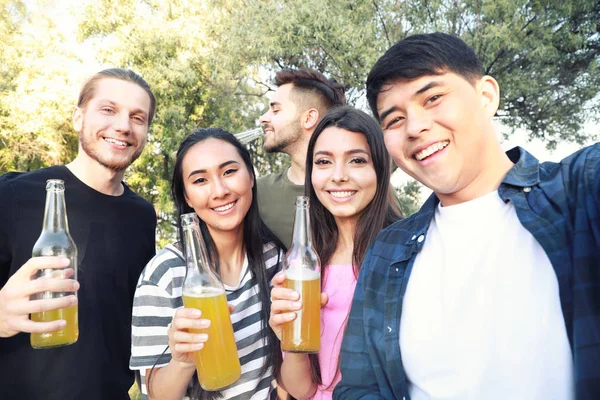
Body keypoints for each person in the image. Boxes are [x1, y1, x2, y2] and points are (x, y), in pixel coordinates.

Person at [334, 32, 600, 400]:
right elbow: (358, 387)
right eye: (394, 120)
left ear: (486, 95)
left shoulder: (579, 192)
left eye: (433, 98)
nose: (415, 127)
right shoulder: (388, 249)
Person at [0, 68, 157, 400]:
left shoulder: (143, 216)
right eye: (108, 109)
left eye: (138, 117)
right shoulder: (13, 196)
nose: (123, 126)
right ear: (77, 118)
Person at [130, 128, 286, 400]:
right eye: (200, 180)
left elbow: (282, 370)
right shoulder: (164, 275)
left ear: (251, 176)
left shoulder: (273, 257)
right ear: (188, 198)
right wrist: (182, 361)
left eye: (229, 172)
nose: (220, 191)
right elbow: (154, 395)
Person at [269, 106, 402, 399]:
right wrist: (289, 340)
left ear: (379, 168)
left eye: (356, 160)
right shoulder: (306, 263)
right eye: (324, 161)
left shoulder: (402, 257)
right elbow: (303, 390)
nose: (338, 176)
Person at [258, 67, 346, 246]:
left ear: (308, 118)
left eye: (276, 111)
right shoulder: (259, 192)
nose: (262, 118)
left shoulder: (357, 188)